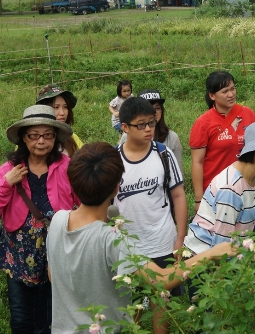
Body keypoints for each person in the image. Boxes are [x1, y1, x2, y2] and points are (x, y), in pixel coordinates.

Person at [47, 142, 234, 334]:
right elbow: (161, 280)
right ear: (117, 187)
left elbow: (53, 276)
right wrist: (210, 254)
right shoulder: (111, 239)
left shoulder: (58, 221)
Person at [0, 105, 78, 334]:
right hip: (19, 259)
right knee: (21, 322)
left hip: (58, 258)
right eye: (34, 135)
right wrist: (6, 185)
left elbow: (84, 204)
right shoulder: (8, 171)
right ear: (23, 138)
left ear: (55, 137)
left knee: (52, 321)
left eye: (47, 135)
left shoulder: (67, 167)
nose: (41, 141)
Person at [115, 97, 187, 334]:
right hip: (127, 248)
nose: (148, 129)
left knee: (161, 301)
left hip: (162, 242)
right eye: (140, 125)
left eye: (151, 123)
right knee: (131, 306)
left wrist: (180, 238)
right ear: (124, 126)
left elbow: (178, 195)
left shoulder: (163, 154)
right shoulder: (113, 160)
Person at [184, 122, 255, 254]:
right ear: (253, 150)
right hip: (204, 260)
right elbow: (221, 244)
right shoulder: (231, 188)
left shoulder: (252, 175)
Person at [189, 71, 255, 207]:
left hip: (247, 188)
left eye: (233, 88)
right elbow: (197, 162)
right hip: (217, 191)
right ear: (212, 95)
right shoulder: (203, 123)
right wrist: (199, 199)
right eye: (225, 91)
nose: (231, 94)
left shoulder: (248, 114)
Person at [137, 88, 184, 170]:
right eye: (148, 108)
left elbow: (178, 172)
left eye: (157, 108)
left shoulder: (172, 137)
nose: (154, 112)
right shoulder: (128, 137)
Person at [36, 84, 83, 154]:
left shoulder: (72, 138)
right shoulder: (30, 139)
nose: (62, 113)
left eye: (65, 107)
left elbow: (86, 160)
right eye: (56, 107)